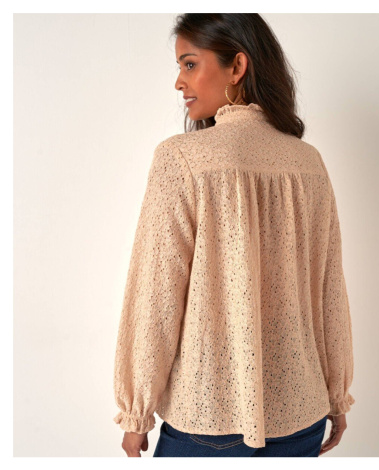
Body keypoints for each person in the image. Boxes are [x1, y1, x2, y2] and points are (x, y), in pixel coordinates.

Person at [113, 13, 355, 458]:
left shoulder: (181, 159)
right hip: (303, 417)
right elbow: (330, 293)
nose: (179, 82)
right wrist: (337, 396)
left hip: (209, 421)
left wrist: (136, 412)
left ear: (237, 66)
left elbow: (156, 298)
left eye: (190, 64)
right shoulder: (308, 162)